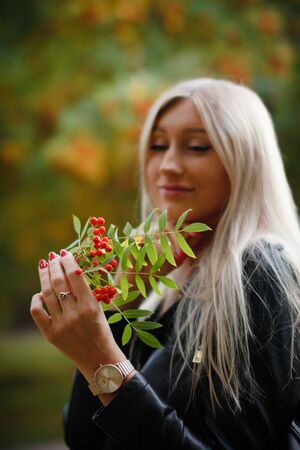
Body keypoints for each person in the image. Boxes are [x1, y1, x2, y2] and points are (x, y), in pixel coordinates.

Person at [31, 78, 300, 449]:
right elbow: (85, 441)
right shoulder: (163, 284)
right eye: (158, 145)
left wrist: (100, 359)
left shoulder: (258, 272)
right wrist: (115, 308)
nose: (168, 165)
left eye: (196, 146)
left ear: (245, 159)